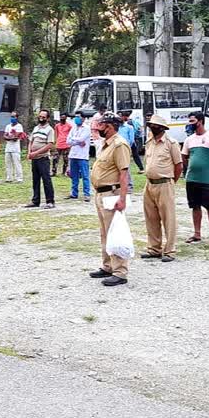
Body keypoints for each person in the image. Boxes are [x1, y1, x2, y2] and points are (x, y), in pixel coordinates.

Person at [89, 112, 131, 287]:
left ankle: (120, 271)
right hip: (101, 193)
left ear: (110, 126)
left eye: (102, 126)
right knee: (104, 232)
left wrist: (122, 198)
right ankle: (107, 266)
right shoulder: (107, 145)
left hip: (111, 194)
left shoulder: (119, 145)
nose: (99, 129)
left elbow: (124, 173)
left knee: (115, 232)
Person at [140, 115, 183, 262]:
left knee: (168, 218)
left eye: (155, 125)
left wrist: (171, 182)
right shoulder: (149, 142)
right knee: (151, 218)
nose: (152, 127)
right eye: (151, 124)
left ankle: (170, 250)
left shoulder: (171, 143)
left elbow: (179, 165)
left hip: (165, 183)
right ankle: (154, 248)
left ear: (162, 128)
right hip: (149, 183)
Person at [182, 112, 209, 248]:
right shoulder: (189, 139)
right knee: (195, 206)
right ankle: (197, 233)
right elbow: (184, 156)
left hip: (206, 180)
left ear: (200, 121)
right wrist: (189, 167)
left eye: (192, 121)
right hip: (191, 179)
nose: (190, 124)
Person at [25, 109, 56, 209]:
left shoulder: (50, 130)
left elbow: (50, 145)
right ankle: (35, 200)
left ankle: (50, 201)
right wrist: (29, 152)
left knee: (46, 180)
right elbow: (31, 141)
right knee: (35, 180)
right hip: (34, 158)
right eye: (40, 116)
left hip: (43, 158)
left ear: (47, 118)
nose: (41, 118)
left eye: (43, 117)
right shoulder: (35, 128)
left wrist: (36, 153)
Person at [67, 111, 92, 201]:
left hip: (82, 155)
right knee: (74, 176)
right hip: (73, 154)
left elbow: (82, 139)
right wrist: (77, 141)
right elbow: (68, 141)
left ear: (83, 118)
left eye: (78, 117)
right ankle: (74, 193)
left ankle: (87, 194)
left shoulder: (87, 128)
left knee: (85, 175)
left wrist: (74, 140)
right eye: (75, 117)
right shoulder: (73, 128)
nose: (76, 118)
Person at [3, 112, 24, 183]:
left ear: (17, 118)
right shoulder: (8, 126)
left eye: (14, 117)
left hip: (15, 148)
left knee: (17, 163)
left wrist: (9, 137)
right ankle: (9, 178)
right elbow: (4, 136)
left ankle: (19, 178)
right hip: (8, 148)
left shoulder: (19, 126)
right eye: (11, 117)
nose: (12, 118)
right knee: (8, 163)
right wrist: (10, 137)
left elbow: (16, 137)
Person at [53, 112, 72, 176]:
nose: (62, 119)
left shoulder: (69, 126)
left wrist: (70, 144)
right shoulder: (57, 126)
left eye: (64, 118)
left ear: (66, 118)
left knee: (65, 160)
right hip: (58, 144)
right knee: (55, 159)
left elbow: (71, 135)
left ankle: (64, 172)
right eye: (61, 117)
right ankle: (54, 172)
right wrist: (55, 142)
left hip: (66, 145)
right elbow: (56, 134)